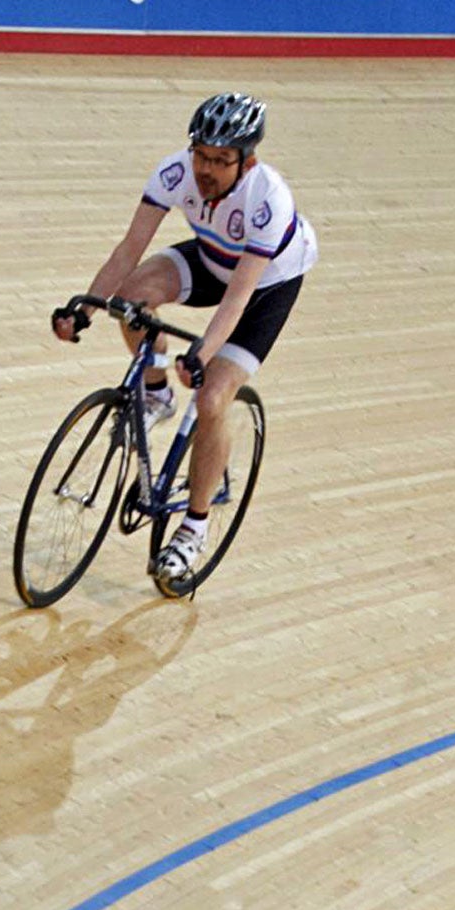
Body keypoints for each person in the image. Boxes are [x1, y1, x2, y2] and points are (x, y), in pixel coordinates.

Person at [51, 92, 315, 587]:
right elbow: (130, 248)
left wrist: (201, 355)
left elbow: (238, 299)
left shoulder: (268, 200)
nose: (207, 170)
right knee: (131, 301)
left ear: (247, 161)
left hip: (265, 284)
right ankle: (155, 391)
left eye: (221, 161)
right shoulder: (174, 173)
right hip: (213, 257)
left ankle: (192, 530)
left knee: (214, 395)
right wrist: (84, 308)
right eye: (202, 155)